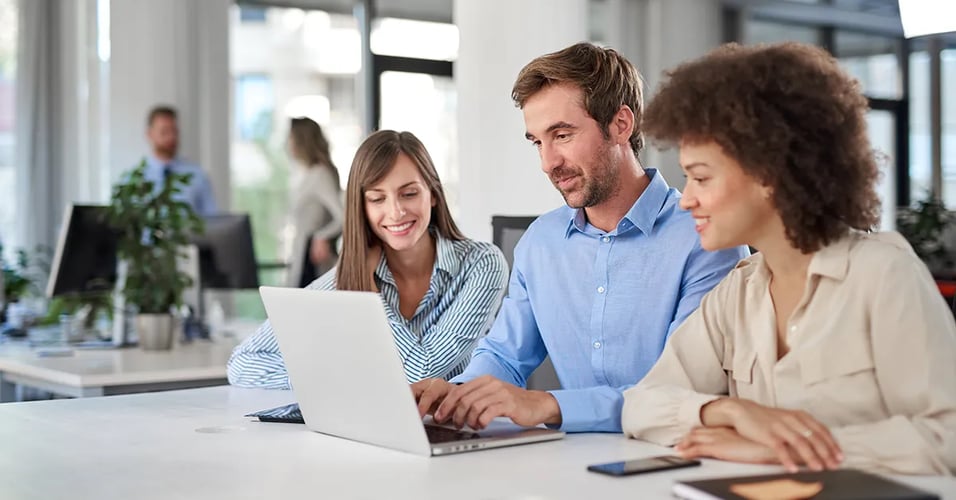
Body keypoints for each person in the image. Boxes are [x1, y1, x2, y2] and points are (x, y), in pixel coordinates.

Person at [621, 42, 956, 476]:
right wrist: (731, 412)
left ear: (769, 175)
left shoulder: (883, 275)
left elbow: (947, 436)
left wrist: (784, 449)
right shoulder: (737, 292)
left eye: (701, 178)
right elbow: (641, 405)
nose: (686, 200)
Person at [413, 42, 748, 434]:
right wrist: (456, 396)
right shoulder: (540, 244)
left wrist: (548, 405)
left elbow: (679, 393)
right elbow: (504, 355)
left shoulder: (706, 237)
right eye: (538, 142)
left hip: (670, 451)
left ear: (621, 124)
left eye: (562, 135)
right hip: (568, 457)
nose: (548, 163)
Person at [228, 130, 509, 387]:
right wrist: (333, 376)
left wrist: (370, 295)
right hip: (372, 423)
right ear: (361, 207)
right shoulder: (344, 279)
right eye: (377, 199)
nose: (396, 212)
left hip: (451, 421)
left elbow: (423, 371)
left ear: (433, 194)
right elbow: (243, 364)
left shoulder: (481, 264)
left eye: (409, 194)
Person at [285, 117, 344, 287]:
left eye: (291, 137)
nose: (288, 143)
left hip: (312, 259)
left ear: (301, 140)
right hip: (301, 255)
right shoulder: (308, 174)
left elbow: (343, 217)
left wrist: (321, 236)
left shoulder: (320, 174)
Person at [139, 105, 217, 216]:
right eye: (164, 132)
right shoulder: (136, 179)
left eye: (174, 131)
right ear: (149, 134)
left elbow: (213, 219)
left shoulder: (197, 175)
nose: (171, 137)